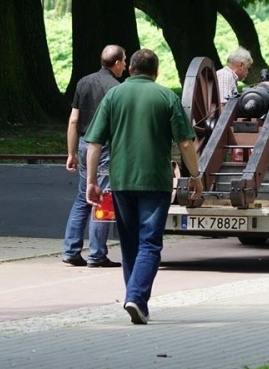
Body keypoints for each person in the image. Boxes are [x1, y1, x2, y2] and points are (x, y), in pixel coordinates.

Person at [84, 49, 204, 324]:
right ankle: (136, 298)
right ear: (156, 71)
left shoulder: (113, 96)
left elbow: (94, 143)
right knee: (150, 243)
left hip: (122, 180)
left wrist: (91, 181)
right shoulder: (166, 96)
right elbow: (186, 143)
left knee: (129, 244)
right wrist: (195, 176)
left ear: (129, 70)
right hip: (156, 181)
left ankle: (136, 299)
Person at [61, 45, 127, 268]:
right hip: (105, 147)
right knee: (102, 198)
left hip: (83, 144)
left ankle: (71, 250)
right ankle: (97, 254)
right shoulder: (116, 89)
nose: (125, 66)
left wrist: (71, 153)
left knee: (83, 197)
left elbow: (72, 120)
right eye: (124, 62)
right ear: (117, 63)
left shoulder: (83, 82)